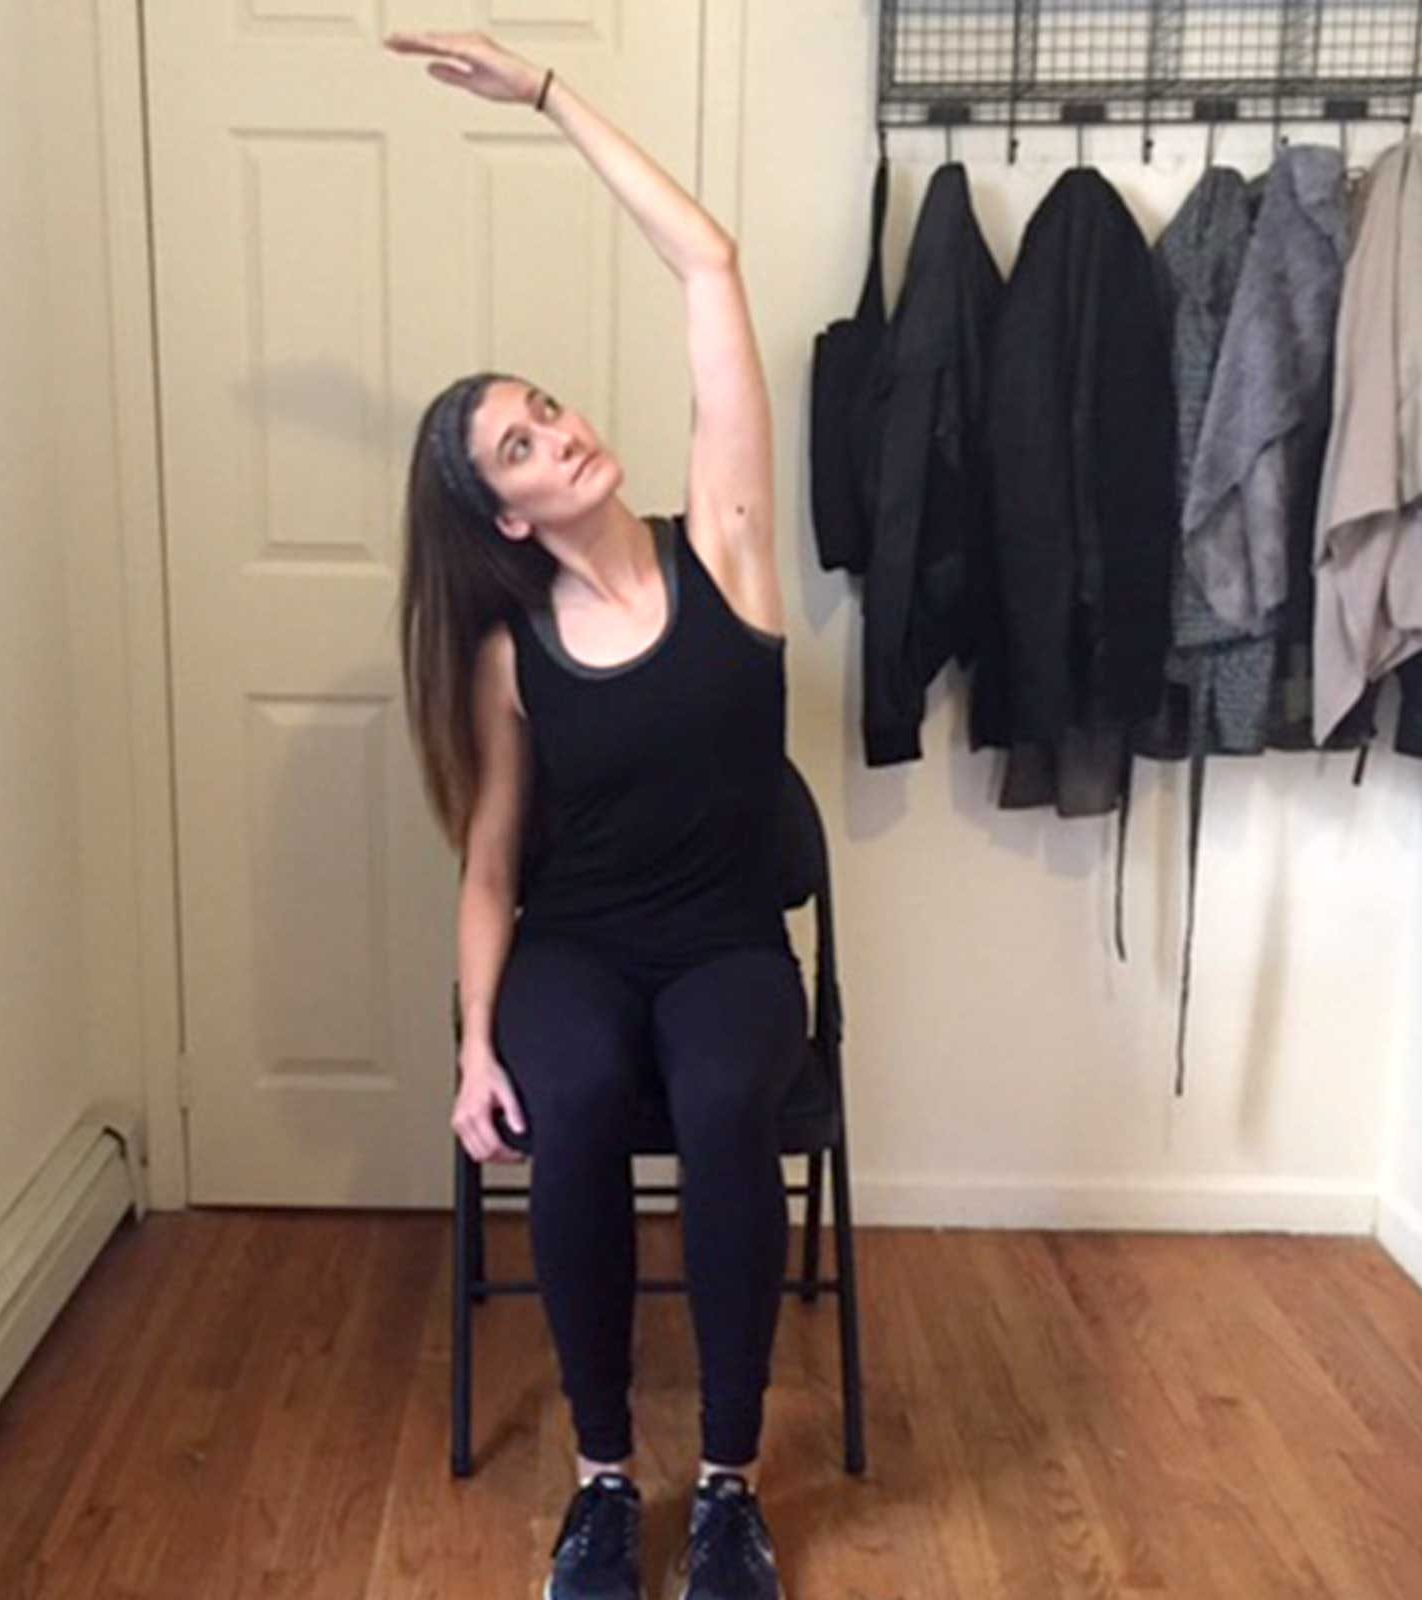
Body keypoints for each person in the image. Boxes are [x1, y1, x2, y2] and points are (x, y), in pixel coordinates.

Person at [387, 28, 804, 1600]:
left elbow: (709, 266)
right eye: (522, 445)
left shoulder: (733, 553)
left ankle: (730, 1495)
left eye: (546, 408)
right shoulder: (511, 649)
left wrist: (550, 97)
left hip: (723, 946)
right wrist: (475, 1043)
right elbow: (494, 866)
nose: (559, 432)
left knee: (716, 1110)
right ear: (508, 512)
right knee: (564, 1109)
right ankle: (604, 1485)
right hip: (577, 949)